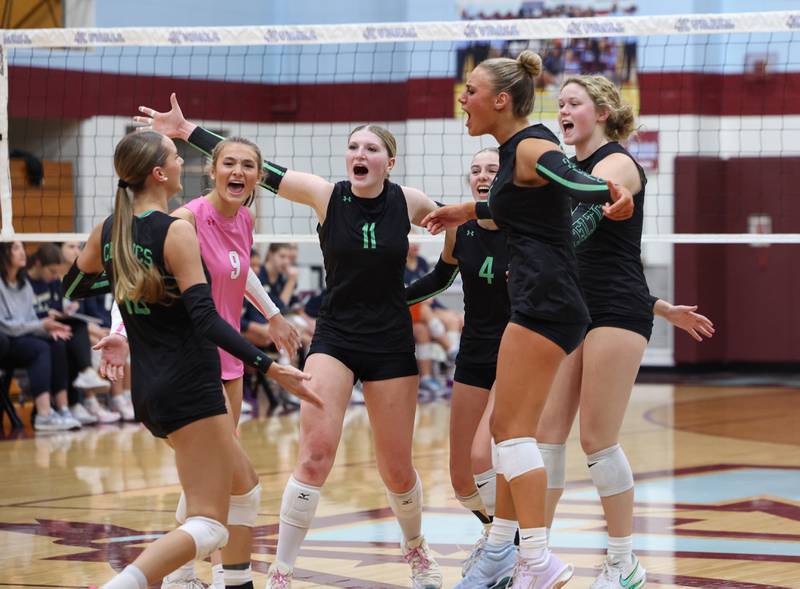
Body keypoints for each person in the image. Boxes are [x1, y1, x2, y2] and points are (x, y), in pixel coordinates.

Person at [135, 93, 446, 589]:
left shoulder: (409, 201)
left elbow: (458, 230)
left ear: (390, 161)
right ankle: (282, 569)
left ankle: (415, 550)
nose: (359, 154)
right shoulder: (327, 195)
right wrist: (186, 129)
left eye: (370, 148)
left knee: (397, 468)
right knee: (314, 454)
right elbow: (262, 170)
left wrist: (440, 277)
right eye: (353, 147)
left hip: (391, 341)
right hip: (336, 335)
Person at [67, 130, 320, 589]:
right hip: (192, 378)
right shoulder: (179, 226)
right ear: (161, 173)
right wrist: (271, 367)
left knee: (242, 486)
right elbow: (204, 319)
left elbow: (74, 285)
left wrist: (136, 278)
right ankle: (135, 583)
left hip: (152, 386)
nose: (183, 163)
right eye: (176, 158)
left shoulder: (109, 230)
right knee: (211, 521)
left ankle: (233, 582)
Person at [421, 50, 633, 589]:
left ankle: (537, 559)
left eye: (470, 90)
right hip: (544, 300)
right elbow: (524, 207)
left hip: (547, 301)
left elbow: (571, 181)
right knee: (507, 433)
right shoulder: (513, 149)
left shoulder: (534, 144)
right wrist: (463, 211)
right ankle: (511, 552)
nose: (461, 99)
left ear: (499, 100)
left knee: (512, 435)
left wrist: (610, 192)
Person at [534, 75, 715, 589]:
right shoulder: (568, 170)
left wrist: (603, 199)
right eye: (560, 103)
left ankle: (623, 560)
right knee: (546, 437)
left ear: (605, 113)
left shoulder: (615, 162)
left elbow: (597, 206)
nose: (564, 110)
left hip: (614, 312)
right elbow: (583, 252)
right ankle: (536, 558)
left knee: (596, 439)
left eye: (575, 103)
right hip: (575, 308)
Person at [405, 147, 506, 581]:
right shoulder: (459, 227)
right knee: (461, 476)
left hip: (518, 353)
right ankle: (498, 535)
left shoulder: (529, 228)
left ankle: (510, 546)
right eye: (476, 170)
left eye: (493, 170)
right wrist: (387, 297)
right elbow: (440, 278)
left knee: (486, 457)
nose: (482, 176)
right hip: (474, 352)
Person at [0, 241, 78, 431]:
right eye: (16, 248)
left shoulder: (24, 284)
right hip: (4, 341)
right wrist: (41, 325)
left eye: (22, 247)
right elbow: (5, 326)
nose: (22, 252)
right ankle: (44, 415)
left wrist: (49, 329)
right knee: (39, 348)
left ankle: (63, 409)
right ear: (4, 253)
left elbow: (31, 320)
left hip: (20, 338)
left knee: (56, 342)